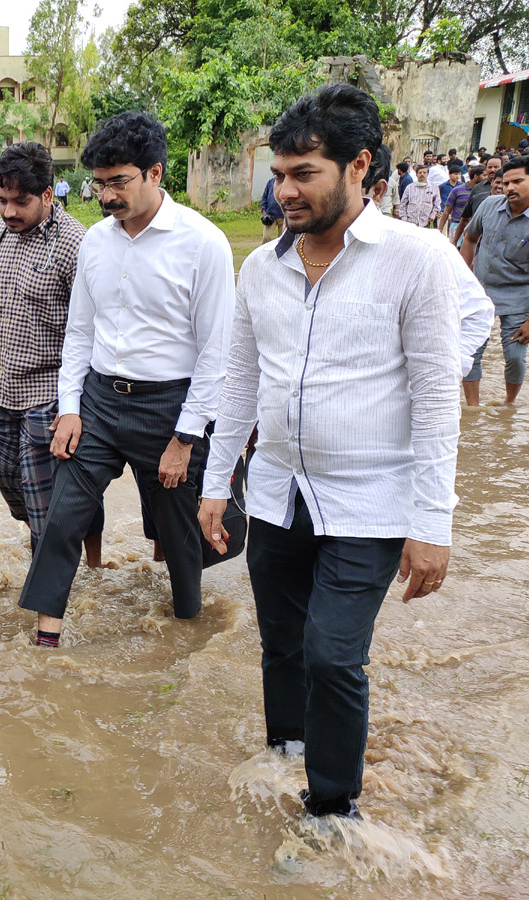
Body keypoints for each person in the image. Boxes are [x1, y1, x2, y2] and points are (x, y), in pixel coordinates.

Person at [198, 84, 460, 822]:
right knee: (280, 642)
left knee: (333, 654)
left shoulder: (418, 261)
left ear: (359, 166)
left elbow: (440, 399)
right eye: (278, 173)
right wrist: (218, 483)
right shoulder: (261, 268)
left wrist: (431, 523)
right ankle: (285, 752)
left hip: (370, 499)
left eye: (303, 172)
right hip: (277, 489)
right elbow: (241, 380)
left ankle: (333, 811)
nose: (284, 190)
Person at [18, 111, 234, 647]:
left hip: (169, 408)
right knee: (63, 517)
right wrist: (70, 407)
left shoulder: (203, 244)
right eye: (100, 183)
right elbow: (80, 333)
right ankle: (46, 639)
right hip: (98, 402)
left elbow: (215, 354)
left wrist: (185, 438)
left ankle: (186, 635)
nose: (108, 195)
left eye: (120, 181)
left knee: (180, 534)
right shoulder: (95, 241)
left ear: (155, 173)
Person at [0, 142, 104, 570]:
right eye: (1, 200)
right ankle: (67, 533)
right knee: (4, 477)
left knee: (42, 503)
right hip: (1, 387)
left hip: (49, 391)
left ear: (48, 195)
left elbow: (91, 331)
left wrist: (79, 405)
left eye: (20, 201)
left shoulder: (76, 245)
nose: (8, 212)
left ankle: (47, 590)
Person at [366, 146, 494, 397]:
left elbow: (477, 313)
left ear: (375, 190)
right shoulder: (271, 259)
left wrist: (434, 378)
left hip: (426, 226)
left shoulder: (428, 249)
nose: (288, 192)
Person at [461, 157, 529, 405]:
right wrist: (464, 277)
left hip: (520, 297)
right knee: (471, 350)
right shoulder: (489, 205)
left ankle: (509, 404)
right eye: (506, 182)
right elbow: (470, 239)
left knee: (515, 356)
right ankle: (472, 408)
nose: (510, 187)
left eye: (518, 181)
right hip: (480, 291)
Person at [456, 154, 507, 236]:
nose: (492, 170)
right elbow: (465, 218)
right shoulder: (477, 188)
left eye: (496, 167)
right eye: (490, 167)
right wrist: (455, 241)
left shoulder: (508, 189)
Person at [440, 165, 482, 243]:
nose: (487, 178)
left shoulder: (484, 191)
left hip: (475, 227)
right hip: (456, 224)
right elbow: (446, 211)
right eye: (484, 175)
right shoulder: (457, 190)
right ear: (476, 176)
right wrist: (440, 229)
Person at [261, 175, 284, 241]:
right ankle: (266, 251)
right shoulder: (271, 182)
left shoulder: (286, 182)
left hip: (283, 216)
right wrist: (263, 210)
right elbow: (264, 197)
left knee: (282, 240)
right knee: (266, 238)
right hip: (270, 215)